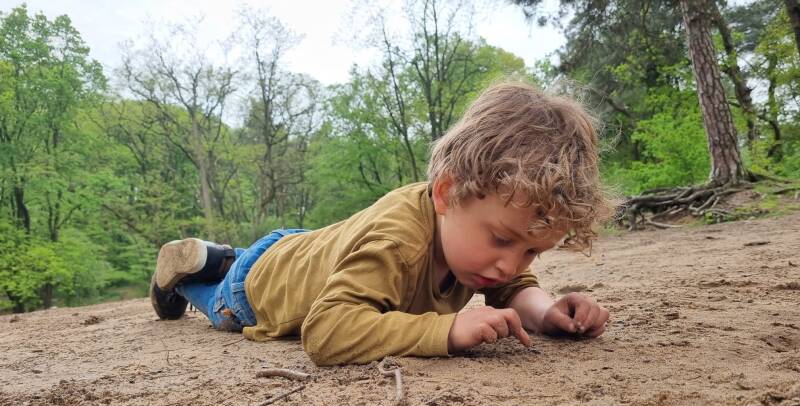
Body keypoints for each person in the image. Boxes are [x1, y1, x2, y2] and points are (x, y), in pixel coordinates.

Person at [149, 81, 614, 366]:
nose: (510, 265)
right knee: (221, 307)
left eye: (532, 251)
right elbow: (326, 332)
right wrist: (444, 331)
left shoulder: (471, 232)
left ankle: (223, 256)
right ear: (447, 193)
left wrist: (547, 311)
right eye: (501, 239)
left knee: (264, 260)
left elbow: (513, 287)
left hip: (310, 249)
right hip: (260, 285)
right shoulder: (398, 243)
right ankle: (188, 277)